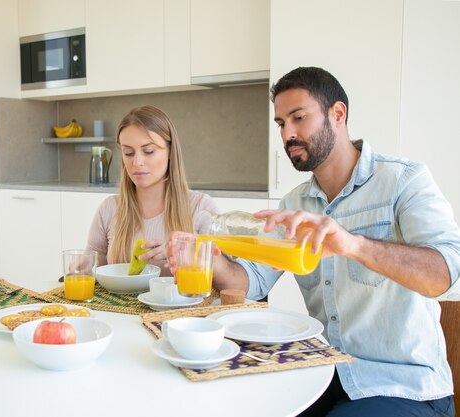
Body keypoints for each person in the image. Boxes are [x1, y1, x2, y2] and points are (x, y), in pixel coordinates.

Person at [169, 67, 459, 416]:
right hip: (322, 372)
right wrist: (210, 260)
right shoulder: (294, 203)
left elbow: (444, 271)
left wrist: (353, 245)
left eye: (299, 118)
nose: (288, 133)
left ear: (338, 114)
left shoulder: (403, 180)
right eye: (280, 123)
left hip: (404, 386)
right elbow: (252, 283)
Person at [86, 105, 218, 276]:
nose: (137, 162)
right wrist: (83, 267)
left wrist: (188, 253)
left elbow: (221, 275)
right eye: (128, 153)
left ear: (170, 151)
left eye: (148, 151)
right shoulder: (109, 208)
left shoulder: (201, 207)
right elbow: (94, 265)